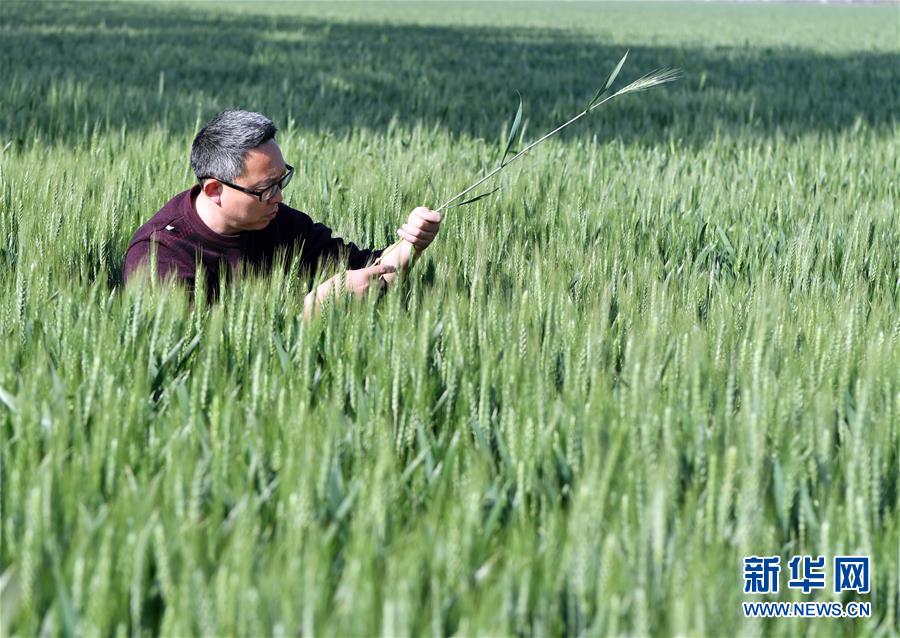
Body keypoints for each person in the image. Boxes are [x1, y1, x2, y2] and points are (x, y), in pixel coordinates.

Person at [122, 110, 441, 315]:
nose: (280, 196)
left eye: (281, 180)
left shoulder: (278, 221)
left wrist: (412, 244)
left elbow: (365, 269)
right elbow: (197, 355)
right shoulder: (158, 258)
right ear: (214, 191)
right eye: (265, 188)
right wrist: (312, 310)